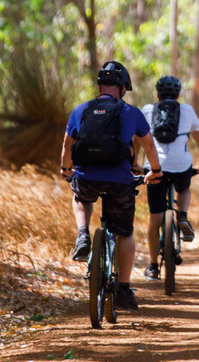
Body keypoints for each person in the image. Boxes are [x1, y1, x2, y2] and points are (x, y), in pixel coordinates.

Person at [60, 60, 161, 311]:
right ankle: (124, 290)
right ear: (123, 87)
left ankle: (83, 235)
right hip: (120, 182)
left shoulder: (81, 109)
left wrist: (66, 170)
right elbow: (148, 146)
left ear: (99, 86)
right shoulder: (131, 112)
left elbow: (66, 144)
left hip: (87, 178)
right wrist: (155, 172)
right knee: (124, 233)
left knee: (80, 197)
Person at [141, 75, 199, 281]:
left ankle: (153, 267)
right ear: (179, 94)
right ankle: (182, 216)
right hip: (180, 166)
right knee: (184, 187)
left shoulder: (147, 110)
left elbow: (138, 139)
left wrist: (136, 164)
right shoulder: (187, 110)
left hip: (155, 168)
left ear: (157, 94)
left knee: (155, 218)